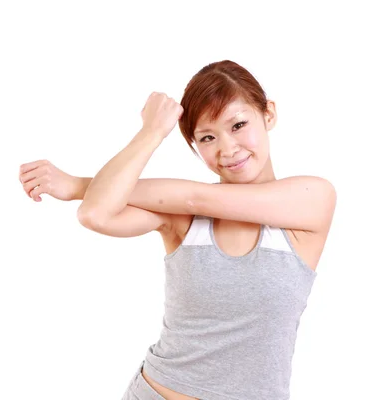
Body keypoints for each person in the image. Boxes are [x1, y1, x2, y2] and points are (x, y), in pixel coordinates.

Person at [19, 60, 336, 400]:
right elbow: (96, 213)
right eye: (207, 137)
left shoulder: (312, 198)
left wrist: (78, 184)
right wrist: (151, 131)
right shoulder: (182, 218)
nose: (227, 149)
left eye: (239, 124)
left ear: (268, 114)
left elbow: (194, 197)